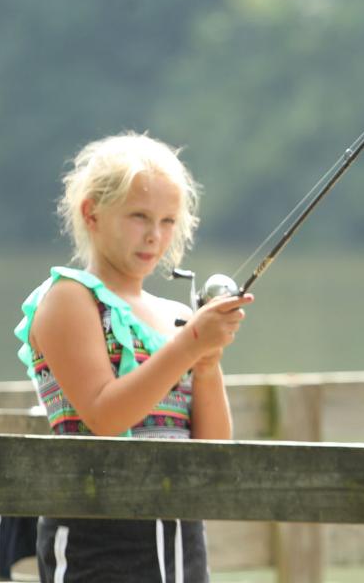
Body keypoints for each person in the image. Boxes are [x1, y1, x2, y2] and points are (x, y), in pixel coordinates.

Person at [13, 132, 251, 582]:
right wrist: (189, 346)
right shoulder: (70, 298)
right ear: (92, 213)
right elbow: (105, 415)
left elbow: (213, 451)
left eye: (167, 221)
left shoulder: (178, 317)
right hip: (96, 535)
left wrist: (207, 362)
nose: (155, 236)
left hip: (182, 538)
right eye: (139, 217)